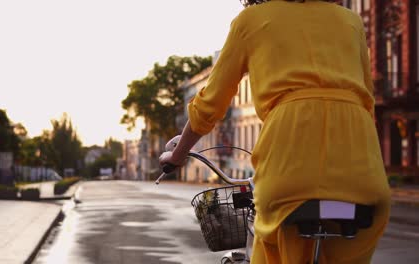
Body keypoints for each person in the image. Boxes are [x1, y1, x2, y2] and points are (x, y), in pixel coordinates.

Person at [159, 0, 391, 263]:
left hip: (289, 150)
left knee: (273, 242)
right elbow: (367, 99)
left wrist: (178, 155)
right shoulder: (352, 22)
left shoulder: (251, 20)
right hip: (359, 153)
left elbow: (208, 106)